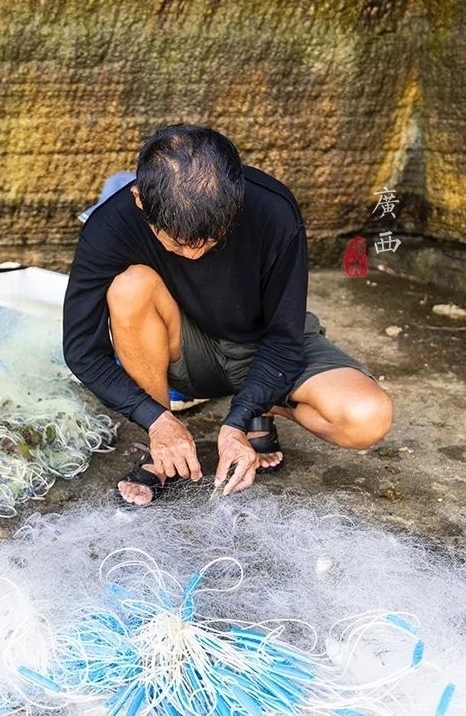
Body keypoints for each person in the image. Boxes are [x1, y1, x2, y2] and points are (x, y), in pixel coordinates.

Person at [63, 124, 392, 505]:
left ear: (237, 199)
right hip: (185, 347)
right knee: (129, 286)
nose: (195, 256)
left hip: (266, 346)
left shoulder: (273, 209)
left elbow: (284, 338)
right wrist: (153, 418)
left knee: (367, 417)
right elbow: (82, 350)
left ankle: (260, 406)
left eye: (210, 241)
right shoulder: (110, 226)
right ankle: (162, 448)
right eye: (177, 245)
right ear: (139, 200)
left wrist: (237, 421)